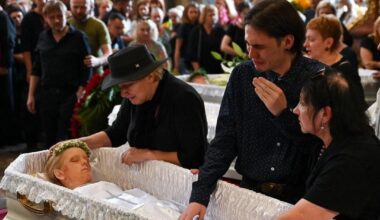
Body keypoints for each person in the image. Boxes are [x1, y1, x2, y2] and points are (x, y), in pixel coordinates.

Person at [180, 1, 326, 219]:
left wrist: (283, 114)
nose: (250, 53)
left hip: (301, 201)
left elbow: (322, 147)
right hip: (250, 194)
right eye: (247, 44)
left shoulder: (318, 79)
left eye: (259, 47)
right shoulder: (243, 75)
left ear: (287, 41)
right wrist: (200, 195)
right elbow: (225, 139)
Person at [60, 44, 208, 169]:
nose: (123, 94)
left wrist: (149, 154)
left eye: (127, 85)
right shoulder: (137, 97)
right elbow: (116, 133)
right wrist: (77, 144)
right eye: (120, 87)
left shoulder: (184, 98)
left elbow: (194, 156)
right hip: (151, 181)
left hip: (184, 185)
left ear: (150, 76)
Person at [278, 70, 380, 220]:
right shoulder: (329, 142)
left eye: (303, 103)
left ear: (325, 114)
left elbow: (301, 216)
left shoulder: (353, 158)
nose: (296, 110)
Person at [44, 139, 182, 219]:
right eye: (75, 160)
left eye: (86, 159)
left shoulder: (102, 183)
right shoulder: (77, 200)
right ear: (60, 174)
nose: (84, 162)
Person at [27, 0, 91, 148]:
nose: (56, 20)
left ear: (66, 15)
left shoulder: (79, 37)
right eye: (52, 17)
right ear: (46, 19)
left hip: (70, 93)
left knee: (64, 137)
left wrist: (80, 92)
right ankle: (52, 168)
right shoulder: (43, 37)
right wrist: (31, 95)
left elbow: (87, 67)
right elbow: (37, 69)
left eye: (60, 16)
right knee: (49, 136)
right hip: (47, 93)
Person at [304, 15, 366, 112]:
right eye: (306, 39)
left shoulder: (344, 71)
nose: (305, 44)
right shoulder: (314, 66)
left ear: (328, 42)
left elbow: (354, 111)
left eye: (311, 40)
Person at [69, 0, 112, 74]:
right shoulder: (67, 24)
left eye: (83, 7)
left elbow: (109, 54)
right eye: (75, 7)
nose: (78, 11)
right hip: (71, 75)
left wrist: (97, 61)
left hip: (95, 76)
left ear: (91, 6)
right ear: (70, 7)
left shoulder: (99, 25)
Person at [187, 5, 225, 74]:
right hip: (201, 69)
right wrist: (198, 72)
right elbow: (192, 54)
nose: (213, 17)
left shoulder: (220, 31)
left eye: (214, 15)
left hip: (218, 70)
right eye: (210, 15)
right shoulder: (197, 31)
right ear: (204, 17)